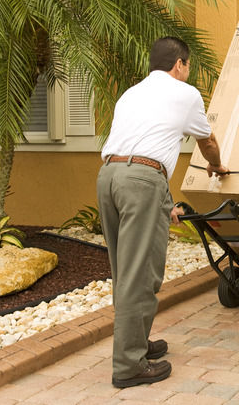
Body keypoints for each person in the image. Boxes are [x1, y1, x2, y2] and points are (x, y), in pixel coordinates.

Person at [97, 36, 228, 389]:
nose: (188, 72)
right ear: (180, 65)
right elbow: (208, 142)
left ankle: (136, 344)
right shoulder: (186, 94)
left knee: (125, 270)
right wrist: (217, 166)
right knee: (141, 274)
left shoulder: (131, 93)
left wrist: (163, 200)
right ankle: (128, 365)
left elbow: (144, 145)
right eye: (188, 67)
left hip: (108, 176)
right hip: (141, 181)